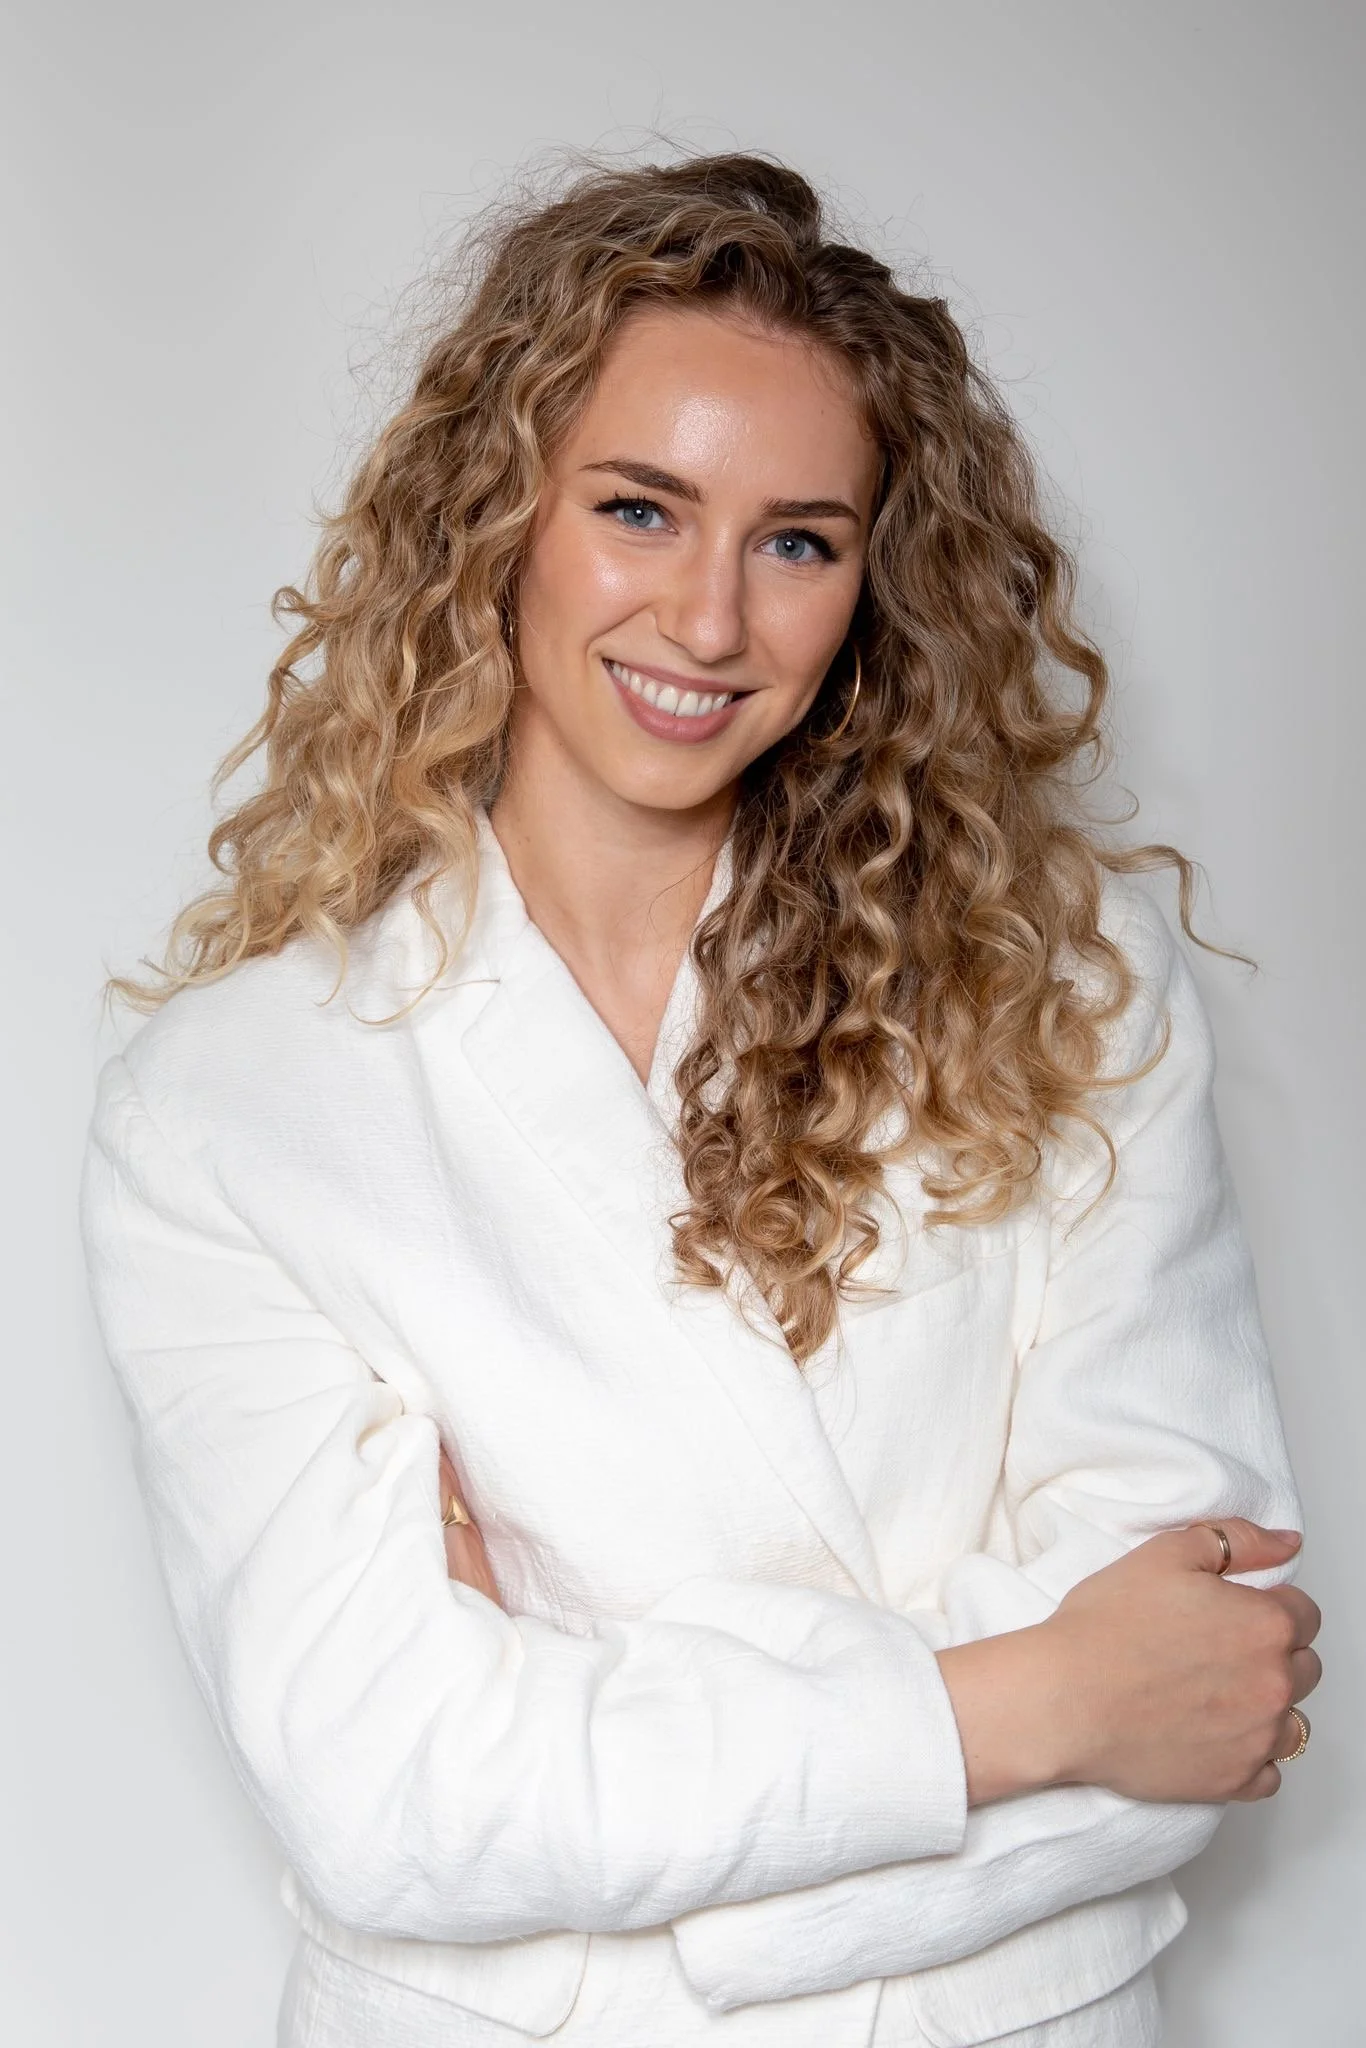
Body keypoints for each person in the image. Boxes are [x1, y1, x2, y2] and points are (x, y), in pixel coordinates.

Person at [80, 152, 1321, 2048]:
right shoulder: (233, 1107)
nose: (710, 621)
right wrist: (1036, 1701)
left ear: (872, 588)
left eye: (799, 540)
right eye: (641, 510)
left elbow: (1201, 1680)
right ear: (492, 514)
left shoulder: (1069, 984)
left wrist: (604, 1805)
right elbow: (397, 1802)